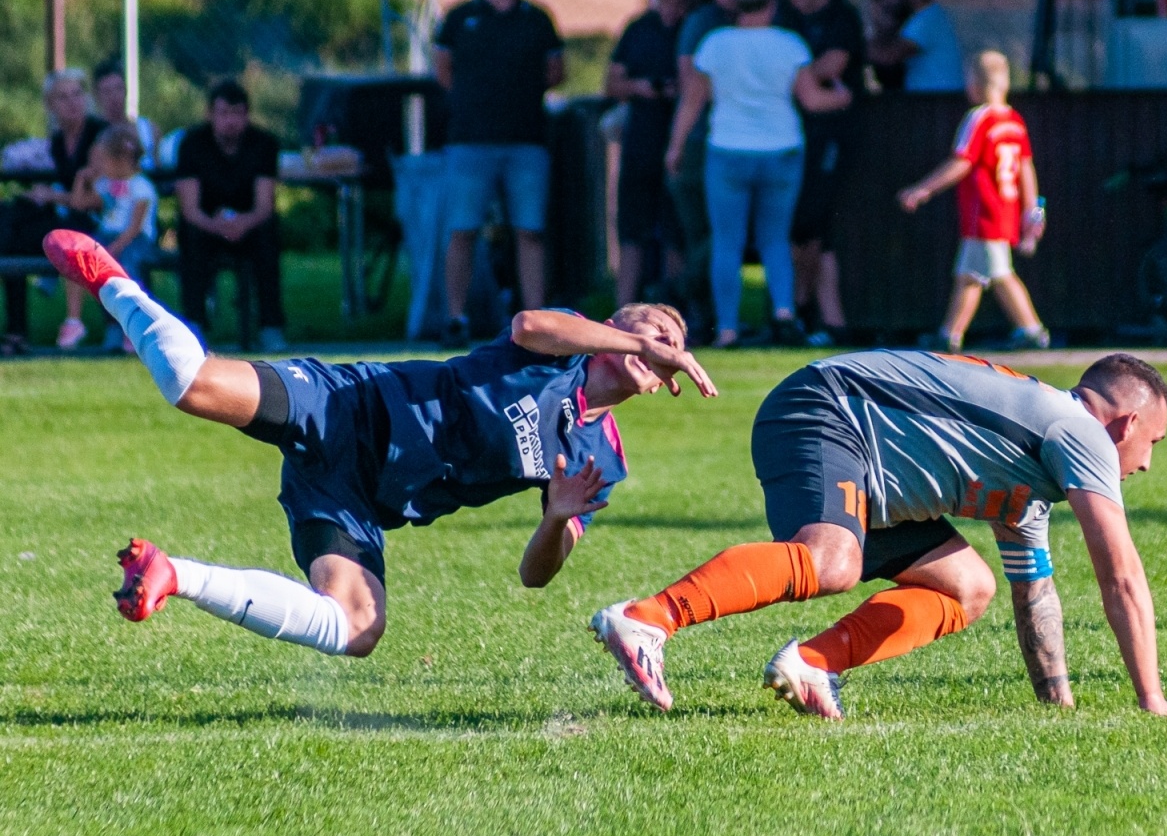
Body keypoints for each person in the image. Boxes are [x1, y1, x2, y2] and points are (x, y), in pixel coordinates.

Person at [43, 227, 715, 661]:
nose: (661, 344)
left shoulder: (603, 457)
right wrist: (638, 340)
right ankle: (111, 282)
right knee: (193, 385)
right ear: (613, 329)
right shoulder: (564, 341)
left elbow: (535, 575)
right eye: (651, 330)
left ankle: (172, 575)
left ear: (665, 383)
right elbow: (528, 325)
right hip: (352, 406)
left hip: (358, 497)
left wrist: (557, 517)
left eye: (672, 345)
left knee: (358, 628)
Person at [590, 350, 1167, 720]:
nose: (1147, 463)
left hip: (854, 445)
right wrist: (1152, 701)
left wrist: (1059, 710)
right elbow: (1121, 577)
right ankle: (648, 618)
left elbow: (1035, 597)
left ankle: (813, 663)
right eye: (1153, 443)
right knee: (832, 562)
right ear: (1125, 425)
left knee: (969, 587)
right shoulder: (1081, 433)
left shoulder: (1035, 466)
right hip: (825, 407)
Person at [666, 0, 852, 348]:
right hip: (781, 149)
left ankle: (728, 328)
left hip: (727, 148)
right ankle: (784, 313)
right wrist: (843, 96)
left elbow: (693, 102)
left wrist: (676, 146)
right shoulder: (790, 44)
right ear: (772, 1)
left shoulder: (715, 44)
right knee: (775, 239)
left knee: (727, 243)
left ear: (736, 1)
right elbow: (812, 100)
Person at [434, 0, 566, 344]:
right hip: (470, 139)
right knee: (463, 229)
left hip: (526, 140)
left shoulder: (536, 18)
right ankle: (455, 318)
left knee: (530, 230)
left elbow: (555, 70)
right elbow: (442, 67)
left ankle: (537, 322)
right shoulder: (462, 17)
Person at [898, 51, 1049, 353]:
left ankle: (1032, 330)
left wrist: (923, 189)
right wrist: (1032, 208)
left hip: (986, 212)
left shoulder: (979, 119)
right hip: (1005, 210)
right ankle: (949, 335)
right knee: (969, 274)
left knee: (1000, 274)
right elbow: (1025, 168)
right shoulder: (1014, 122)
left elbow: (962, 162)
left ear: (975, 84)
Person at [779, 0, 865, 345]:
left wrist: (788, 77)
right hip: (787, 139)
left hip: (830, 137)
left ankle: (810, 313)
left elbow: (832, 66)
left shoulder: (841, 17)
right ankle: (817, 318)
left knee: (814, 226)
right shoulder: (784, 17)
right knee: (804, 230)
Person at [666, 0, 748, 337]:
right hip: (702, 141)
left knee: (731, 231)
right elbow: (691, 85)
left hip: (746, 142)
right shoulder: (703, 24)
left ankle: (681, 291)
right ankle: (701, 314)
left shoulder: (764, 21)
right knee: (703, 232)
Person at [174, 79, 287, 353]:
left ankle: (270, 327)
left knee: (268, 235)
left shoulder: (264, 144)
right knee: (190, 237)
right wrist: (217, 226)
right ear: (210, 114)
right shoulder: (192, 144)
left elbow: (265, 204)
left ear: (247, 115)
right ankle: (195, 326)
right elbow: (189, 207)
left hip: (249, 226)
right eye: (224, 113)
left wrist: (242, 224)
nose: (230, 121)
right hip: (206, 226)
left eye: (237, 114)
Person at [0, 69, 107, 355]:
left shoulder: (100, 136)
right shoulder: (58, 141)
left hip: (97, 222)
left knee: (24, 229)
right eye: (63, 97)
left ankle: (70, 323)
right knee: (11, 230)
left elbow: (100, 198)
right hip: (66, 216)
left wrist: (52, 195)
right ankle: (17, 330)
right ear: (50, 104)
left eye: (77, 94)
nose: (72, 102)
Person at [606, 0, 695, 308]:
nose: (672, 10)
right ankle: (623, 310)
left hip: (679, 144)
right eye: (667, 1)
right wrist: (640, 88)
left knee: (677, 234)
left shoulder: (692, 28)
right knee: (633, 233)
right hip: (641, 144)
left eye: (680, 2)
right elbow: (612, 83)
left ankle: (675, 309)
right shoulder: (639, 28)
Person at [59, 124, 160, 351]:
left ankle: (133, 327)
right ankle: (74, 320)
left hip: (135, 240)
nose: (98, 166)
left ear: (122, 159)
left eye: (102, 160)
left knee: (127, 271)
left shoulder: (142, 187)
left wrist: (115, 247)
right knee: (75, 259)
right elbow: (78, 204)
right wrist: (81, 179)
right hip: (107, 237)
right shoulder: (106, 184)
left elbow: (135, 227)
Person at [867, 0, 965, 93]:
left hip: (939, 100)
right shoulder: (927, 17)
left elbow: (889, 56)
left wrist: (851, 48)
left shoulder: (926, 20)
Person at [92, 59, 160, 172]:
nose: (114, 97)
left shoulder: (148, 130)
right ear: (96, 95)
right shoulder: (92, 134)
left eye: (118, 89)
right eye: (107, 91)